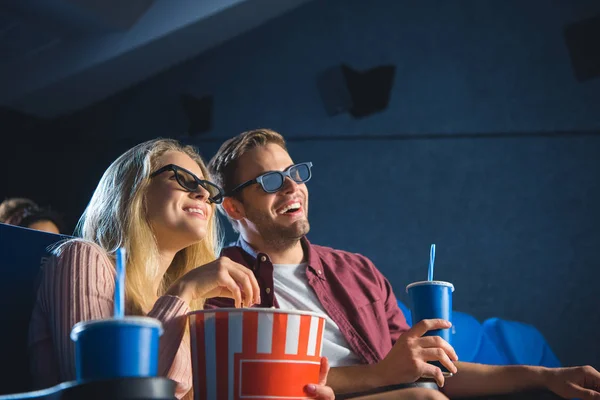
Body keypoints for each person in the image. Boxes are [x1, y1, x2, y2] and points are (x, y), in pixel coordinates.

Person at [205, 128, 600, 400]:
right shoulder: (220, 285)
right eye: (271, 181)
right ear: (234, 206)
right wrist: (383, 376)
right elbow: (250, 384)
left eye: (294, 173)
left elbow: (423, 367)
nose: (292, 186)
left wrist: (546, 376)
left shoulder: (356, 271)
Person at [28, 138, 334, 400]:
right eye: (183, 180)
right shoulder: (83, 257)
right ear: (134, 189)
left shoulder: (183, 299)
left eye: (207, 189)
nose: (202, 194)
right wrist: (184, 291)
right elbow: (107, 393)